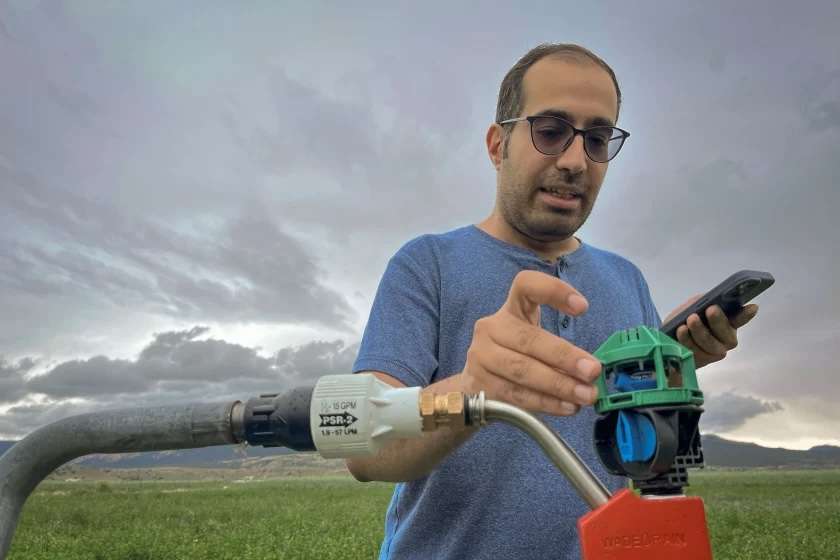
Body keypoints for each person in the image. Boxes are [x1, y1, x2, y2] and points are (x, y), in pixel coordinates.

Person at [346, 43, 758, 560]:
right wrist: (475, 391)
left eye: (598, 138)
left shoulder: (626, 278)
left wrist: (673, 365)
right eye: (550, 131)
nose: (574, 161)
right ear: (498, 145)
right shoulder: (426, 264)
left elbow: (641, 442)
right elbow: (361, 445)